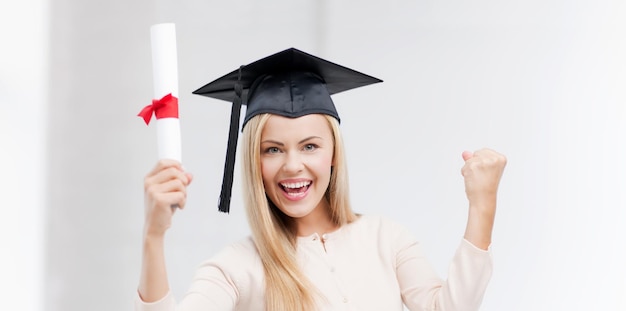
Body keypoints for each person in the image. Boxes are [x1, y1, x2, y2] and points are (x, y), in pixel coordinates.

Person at [135, 48, 507, 311]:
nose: (292, 165)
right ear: (253, 162)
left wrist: (482, 205)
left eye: (310, 146)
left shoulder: (386, 239)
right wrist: (153, 236)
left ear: (333, 155)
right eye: (272, 149)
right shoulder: (237, 268)